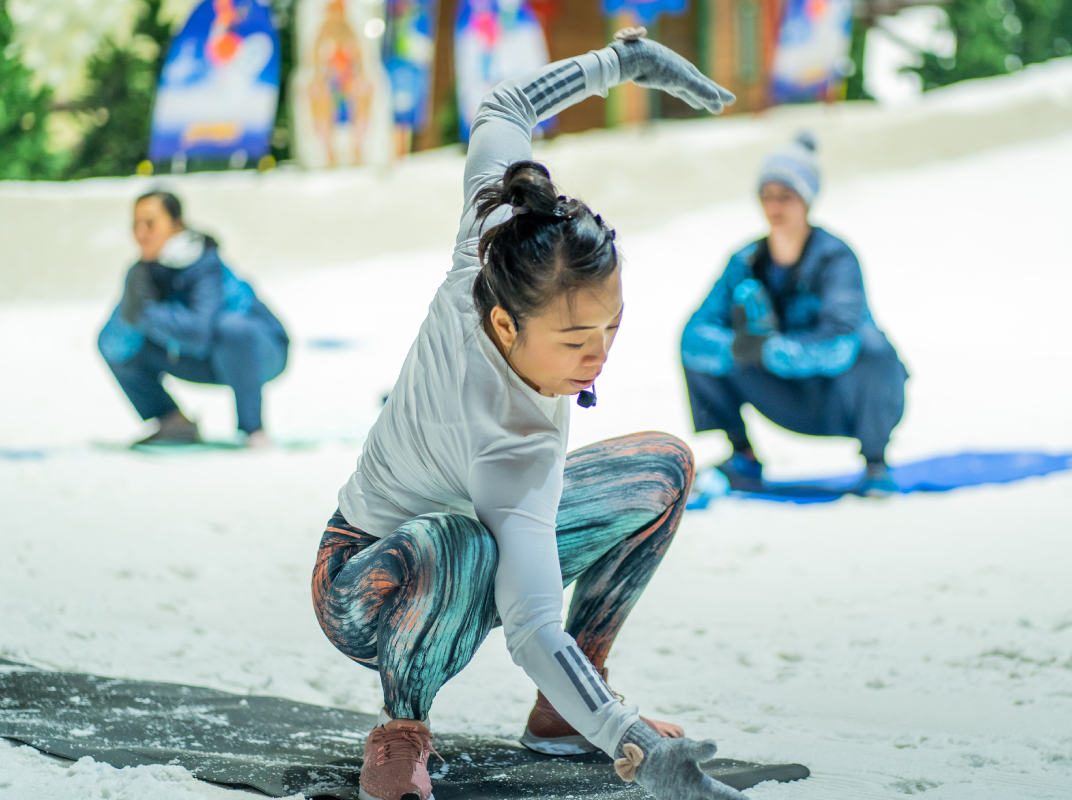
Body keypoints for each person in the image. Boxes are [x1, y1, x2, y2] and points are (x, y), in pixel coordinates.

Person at [312, 28, 749, 800]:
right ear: (507, 326)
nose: (599, 354)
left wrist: (621, 62)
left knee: (661, 469)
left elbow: (504, 107)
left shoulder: (492, 243)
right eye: (577, 338)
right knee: (456, 542)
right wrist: (633, 739)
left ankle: (563, 711)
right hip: (364, 582)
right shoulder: (511, 452)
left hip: (474, 541)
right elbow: (531, 628)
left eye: (612, 326)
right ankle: (400, 729)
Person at [681, 133, 908, 496]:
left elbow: (840, 343)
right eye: (766, 196)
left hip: (839, 396)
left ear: (806, 201)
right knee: (699, 351)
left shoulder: (837, 259)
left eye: (785, 196)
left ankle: (876, 461)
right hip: (784, 397)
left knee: (876, 352)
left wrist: (768, 350)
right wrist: (740, 348)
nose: (775, 207)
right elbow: (695, 334)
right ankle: (743, 456)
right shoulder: (745, 260)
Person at [97, 191, 289, 447]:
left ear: (177, 225)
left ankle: (253, 429)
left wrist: (146, 313)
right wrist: (132, 309)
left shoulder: (204, 263)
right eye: (136, 225)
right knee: (123, 347)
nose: (141, 233)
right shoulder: (142, 273)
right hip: (208, 358)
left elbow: (200, 332)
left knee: (232, 329)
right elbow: (111, 344)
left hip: (263, 353)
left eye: (150, 223)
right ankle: (173, 422)